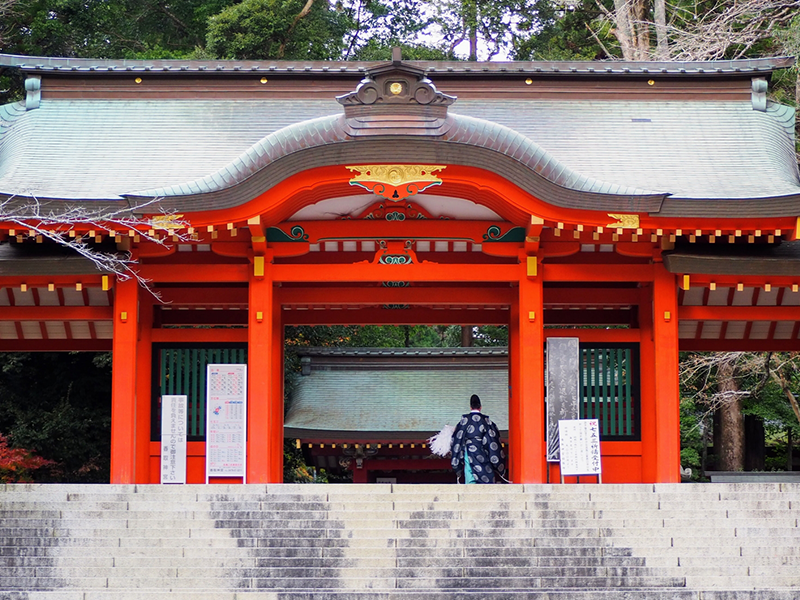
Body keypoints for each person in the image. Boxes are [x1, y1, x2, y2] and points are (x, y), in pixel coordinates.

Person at [450, 394, 506, 484]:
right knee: (485, 468)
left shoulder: (465, 420)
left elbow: (457, 436)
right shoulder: (486, 420)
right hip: (483, 449)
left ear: (470, 407)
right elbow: (493, 437)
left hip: (469, 450)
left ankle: (470, 484)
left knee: (469, 469)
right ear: (480, 407)